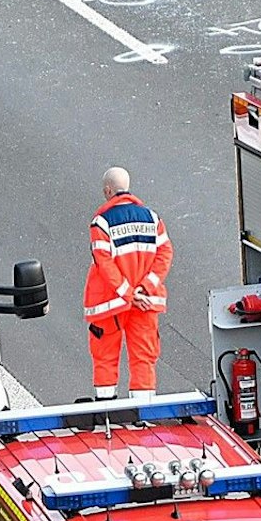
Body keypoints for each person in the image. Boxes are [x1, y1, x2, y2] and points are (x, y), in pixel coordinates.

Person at [83, 167, 173, 399]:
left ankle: (106, 407)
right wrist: (145, 288)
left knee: (105, 356)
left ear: (107, 190)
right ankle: (142, 411)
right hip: (145, 302)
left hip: (111, 303)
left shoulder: (101, 223)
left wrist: (129, 293)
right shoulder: (152, 218)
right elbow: (165, 254)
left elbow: (104, 264)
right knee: (143, 357)